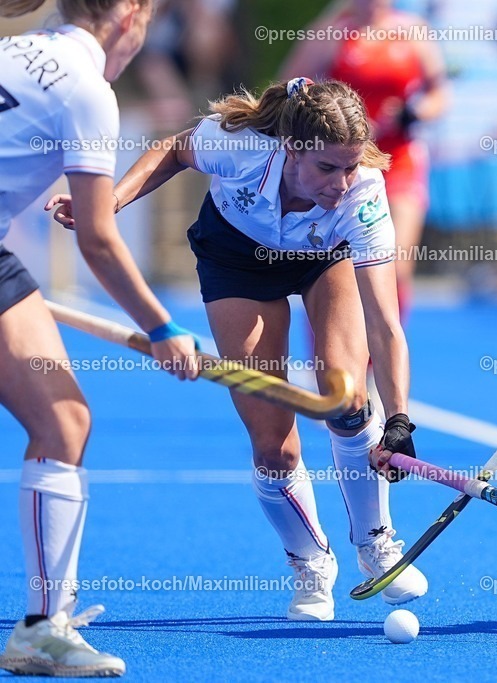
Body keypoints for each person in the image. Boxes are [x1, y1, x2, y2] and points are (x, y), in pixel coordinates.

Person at [47, 78, 428, 621]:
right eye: (326, 168)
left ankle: (376, 544)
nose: (340, 184)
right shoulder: (244, 145)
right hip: (236, 263)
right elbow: (174, 149)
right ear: (292, 149)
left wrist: (399, 419)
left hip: (324, 261)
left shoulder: (363, 195)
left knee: (346, 402)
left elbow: (386, 324)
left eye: (349, 167)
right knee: (275, 446)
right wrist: (109, 202)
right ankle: (310, 560)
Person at [0, 0, 202, 677]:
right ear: (131, 14)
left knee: (64, 417)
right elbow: (97, 239)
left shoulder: (17, 52)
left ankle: (43, 626)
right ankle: (42, 625)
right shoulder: (87, 88)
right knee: (62, 420)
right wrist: (164, 326)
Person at [279, 0, 448, 320]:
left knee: (396, 265)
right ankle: (330, 359)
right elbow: (287, 89)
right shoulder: (331, 32)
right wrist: (325, 124)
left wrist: (413, 114)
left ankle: (377, 359)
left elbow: (440, 93)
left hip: (397, 161)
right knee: (332, 268)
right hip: (340, 166)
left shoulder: (412, 31)